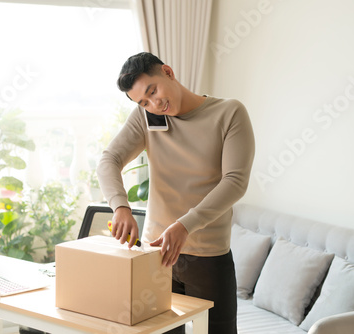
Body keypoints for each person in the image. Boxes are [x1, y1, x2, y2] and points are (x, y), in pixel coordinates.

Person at [96, 52, 255, 334]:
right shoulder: (146, 117)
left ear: (168, 72)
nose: (154, 104)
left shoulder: (229, 113)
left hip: (207, 257)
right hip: (155, 255)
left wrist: (185, 226)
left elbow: (235, 181)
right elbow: (109, 160)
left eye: (153, 91)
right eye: (143, 102)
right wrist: (121, 206)